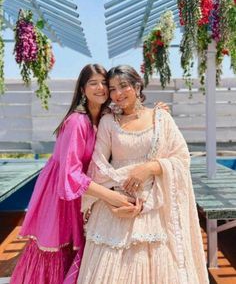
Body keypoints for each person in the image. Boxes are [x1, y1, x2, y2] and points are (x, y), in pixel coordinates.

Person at [77, 65, 209, 284]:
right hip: (116, 207)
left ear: (137, 86)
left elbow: (182, 158)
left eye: (123, 86)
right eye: (112, 89)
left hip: (154, 208)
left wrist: (149, 168)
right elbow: (98, 165)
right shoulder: (109, 122)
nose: (118, 94)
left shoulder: (161, 118)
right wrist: (113, 202)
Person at [10, 64, 138, 284]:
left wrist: (157, 112)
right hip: (60, 194)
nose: (101, 88)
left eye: (104, 83)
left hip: (81, 192)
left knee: (76, 251)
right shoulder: (77, 122)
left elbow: (131, 116)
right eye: (93, 83)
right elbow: (70, 174)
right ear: (82, 90)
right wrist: (109, 196)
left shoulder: (104, 116)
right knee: (55, 250)